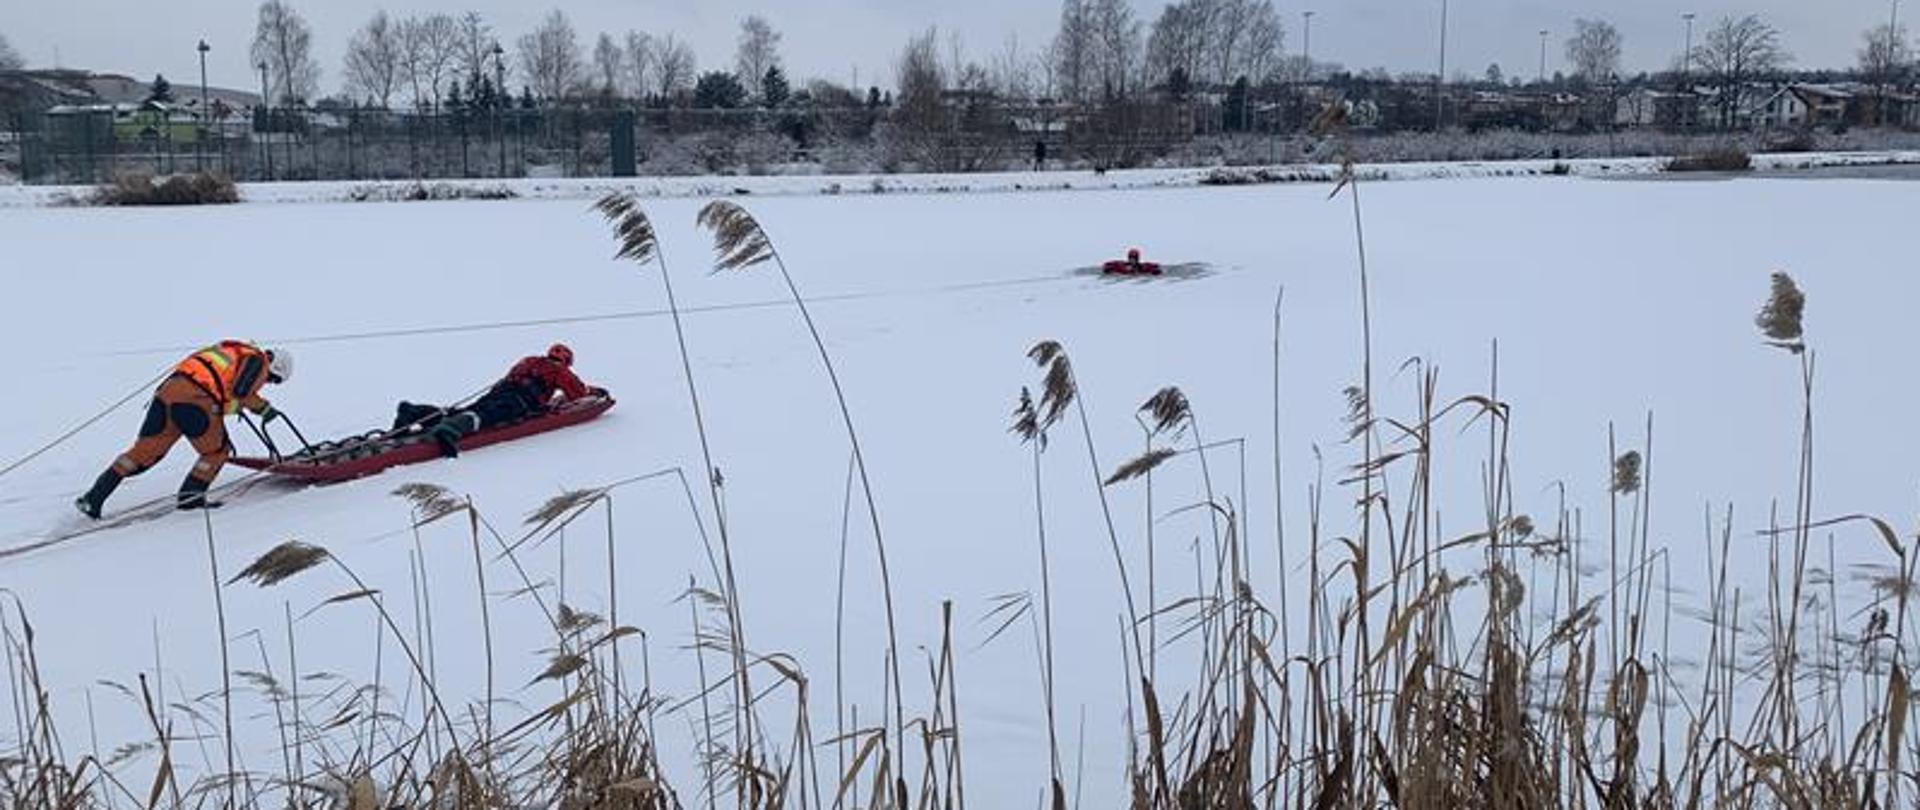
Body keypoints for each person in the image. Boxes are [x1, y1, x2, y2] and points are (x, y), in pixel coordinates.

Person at [75, 340, 293, 518]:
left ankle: (93, 498)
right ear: (274, 367)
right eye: (272, 380)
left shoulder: (231, 350)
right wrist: (263, 409)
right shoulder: (257, 361)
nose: (267, 383)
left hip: (167, 394)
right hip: (195, 399)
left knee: (142, 454)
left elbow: (224, 391)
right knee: (216, 451)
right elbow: (242, 392)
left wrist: (233, 406)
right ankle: (191, 498)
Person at [402, 343, 606, 459]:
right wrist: (592, 391)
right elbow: (577, 393)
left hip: (501, 390)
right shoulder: (559, 370)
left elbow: (511, 376)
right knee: (486, 417)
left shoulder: (529, 360)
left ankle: (417, 413)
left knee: (471, 410)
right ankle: (449, 431)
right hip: (520, 400)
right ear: (567, 362)